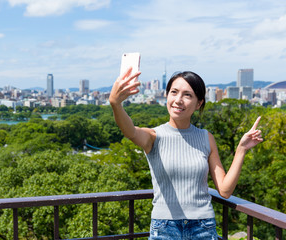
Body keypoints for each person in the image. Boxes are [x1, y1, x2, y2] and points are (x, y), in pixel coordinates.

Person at [109, 67, 263, 239]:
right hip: (164, 227)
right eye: (174, 92)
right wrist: (116, 104)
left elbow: (225, 191)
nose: (178, 100)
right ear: (166, 96)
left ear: (199, 103)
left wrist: (241, 149)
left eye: (187, 95)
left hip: (203, 226)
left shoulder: (206, 138)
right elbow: (129, 131)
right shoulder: (153, 136)